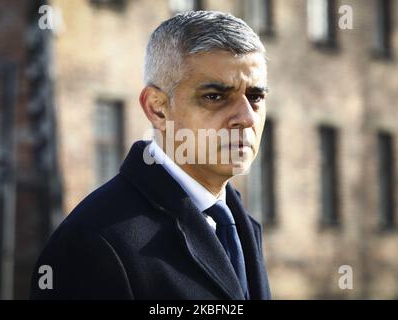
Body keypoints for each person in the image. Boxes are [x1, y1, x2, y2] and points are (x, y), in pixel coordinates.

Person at [30, 10, 271, 300]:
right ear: (157, 108)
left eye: (255, 97)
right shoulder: (93, 242)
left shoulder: (240, 225)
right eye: (215, 96)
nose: (246, 117)